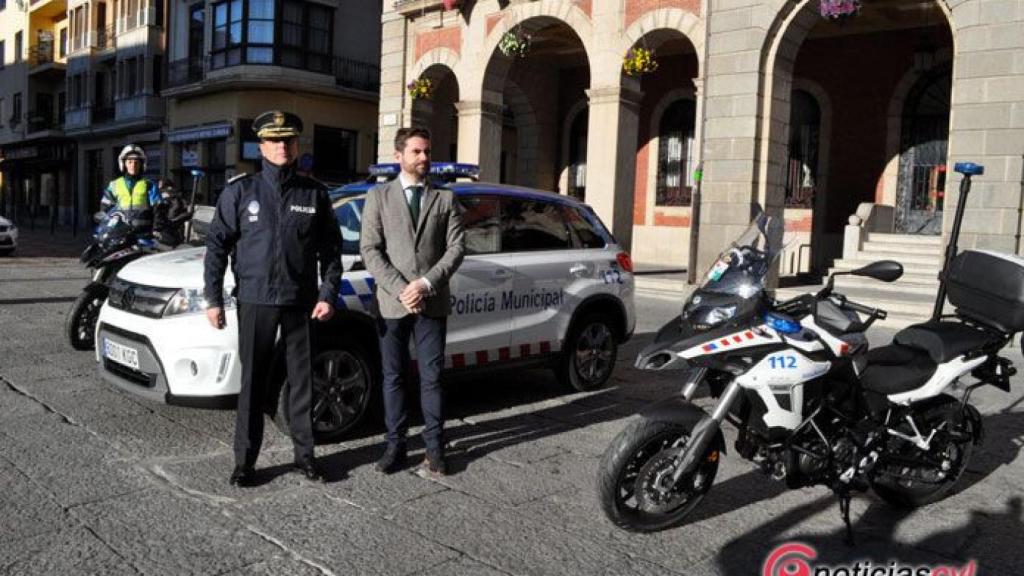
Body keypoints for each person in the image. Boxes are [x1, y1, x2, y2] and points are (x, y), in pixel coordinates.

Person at [203, 110, 343, 487]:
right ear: (261, 146)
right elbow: (217, 246)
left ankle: (305, 456)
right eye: (275, 140)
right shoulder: (240, 191)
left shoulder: (313, 193)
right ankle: (245, 461)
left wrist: (328, 293)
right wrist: (212, 299)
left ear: (297, 145)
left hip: (301, 302)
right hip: (256, 300)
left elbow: (332, 249)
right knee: (252, 384)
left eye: (289, 140)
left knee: (303, 382)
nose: (283, 146)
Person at [360, 127, 465, 478]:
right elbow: (370, 249)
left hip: (431, 302)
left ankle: (435, 450)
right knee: (393, 377)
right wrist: (401, 288)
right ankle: (396, 446)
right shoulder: (379, 197)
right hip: (392, 303)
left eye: (427, 151)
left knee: (432, 378)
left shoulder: (445, 199)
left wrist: (424, 284)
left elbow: (456, 248)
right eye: (417, 151)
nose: (424, 158)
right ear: (399, 156)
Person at [100, 144, 161, 233]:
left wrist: (156, 229)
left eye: (137, 162)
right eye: (130, 162)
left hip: (143, 234)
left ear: (141, 164)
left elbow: (158, 210)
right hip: (121, 234)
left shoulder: (149, 185)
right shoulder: (114, 185)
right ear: (124, 164)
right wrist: (109, 227)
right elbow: (105, 208)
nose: (133, 165)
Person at [153, 179, 191, 247]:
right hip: (162, 232)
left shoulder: (178, 200)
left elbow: (186, 214)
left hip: (174, 232)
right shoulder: (159, 200)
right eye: (161, 189)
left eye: (163, 188)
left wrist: (174, 221)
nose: (162, 191)